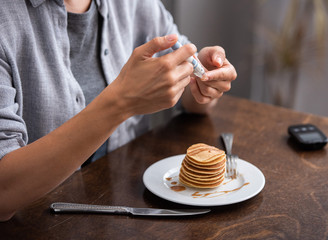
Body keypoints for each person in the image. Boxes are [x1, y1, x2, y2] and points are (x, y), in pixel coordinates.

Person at [0, 0, 237, 221]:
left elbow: (193, 98)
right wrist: (121, 103)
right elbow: (4, 194)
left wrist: (203, 80)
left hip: (133, 210)